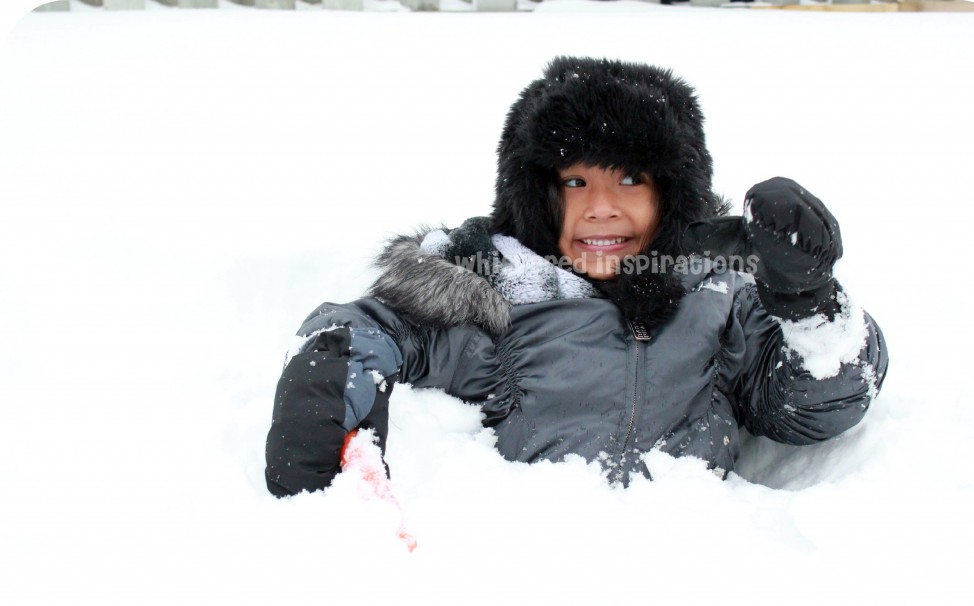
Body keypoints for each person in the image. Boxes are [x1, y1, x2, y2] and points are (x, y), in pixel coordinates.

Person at [264, 56, 888, 497]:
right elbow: (376, 327)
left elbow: (809, 412)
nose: (600, 208)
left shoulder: (718, 296)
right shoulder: (498, 290)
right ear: (538, 195)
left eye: (629, 180)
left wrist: (806, 302)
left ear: (672, 194)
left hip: (699, 572)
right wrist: (330, 369)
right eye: (574, 182)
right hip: (540, 582)